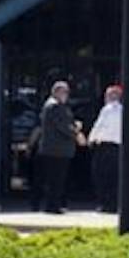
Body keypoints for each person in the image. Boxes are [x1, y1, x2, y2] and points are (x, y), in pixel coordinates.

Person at [33, 80, 84, 214]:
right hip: (56, 150)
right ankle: (52, 206)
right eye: (64, 92)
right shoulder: (54, 106)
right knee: (55, 179)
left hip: (57, 150)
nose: (67, 95)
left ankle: (54, 204)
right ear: (56, 92)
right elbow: (63, 127)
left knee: (57, 179)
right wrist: (76, 132)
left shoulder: (56, 106)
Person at [89, 82, 123, 212]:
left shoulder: (107, 109)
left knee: (102, 176)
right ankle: (114, 204)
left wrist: (90, 139)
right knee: (115, 177)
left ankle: (105, 204)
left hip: (105, 147)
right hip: (118, 147)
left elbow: (99, 126)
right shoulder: (123, 110)